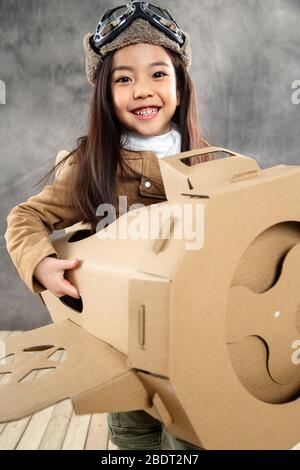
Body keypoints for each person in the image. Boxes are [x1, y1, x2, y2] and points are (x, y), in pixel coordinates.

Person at [5, 1, 213, 450]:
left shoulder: (211, 161)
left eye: (158, 73)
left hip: (194, 349)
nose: (143, 90)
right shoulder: (91, 165)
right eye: (124, 78)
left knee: (191, 443)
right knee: (134, 441)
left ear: (180, 86)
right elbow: (26, 217)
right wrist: (40, 264)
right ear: (104, 92)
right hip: (121, 351)